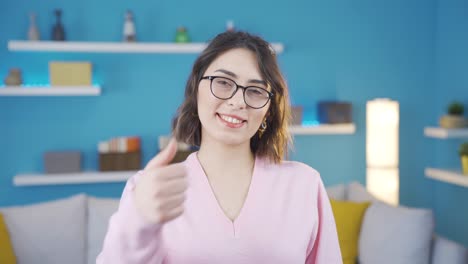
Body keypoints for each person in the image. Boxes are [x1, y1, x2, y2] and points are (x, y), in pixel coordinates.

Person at [97, 31, 342, 264]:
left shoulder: (305, 185)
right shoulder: (149, 189)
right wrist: (138, 220)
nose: (237, 102)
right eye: (224, 82)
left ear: (268, 110)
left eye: (255, 91)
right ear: (196, 90)